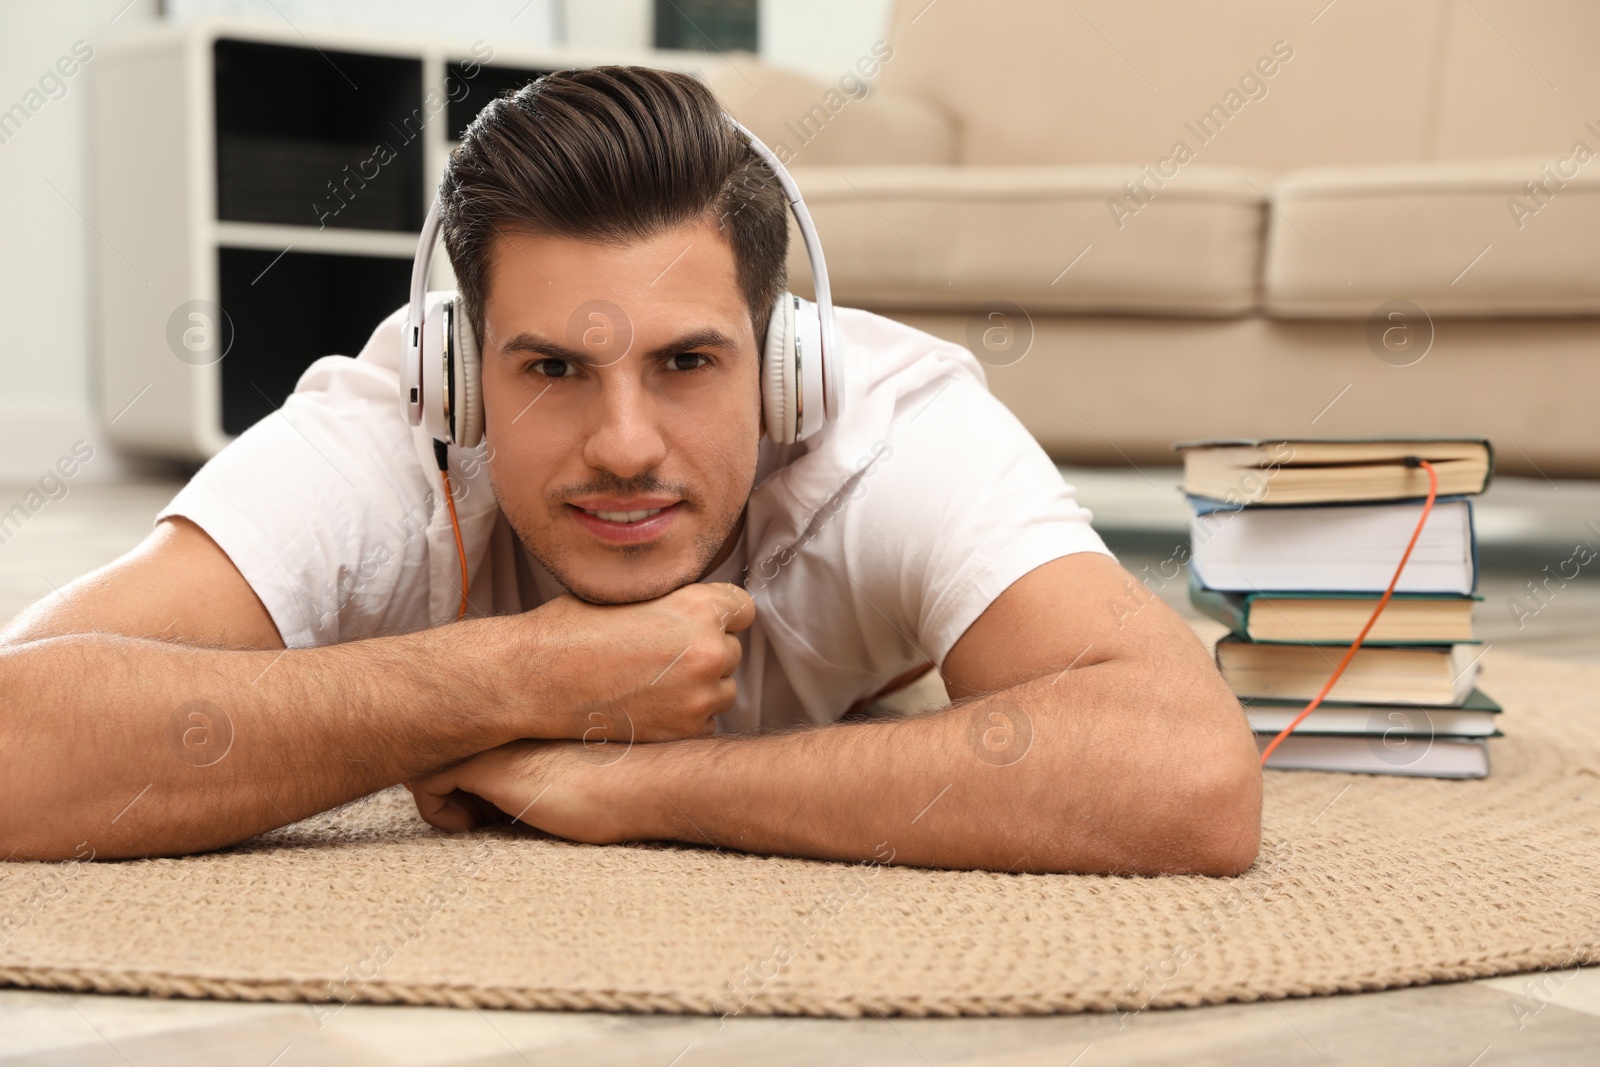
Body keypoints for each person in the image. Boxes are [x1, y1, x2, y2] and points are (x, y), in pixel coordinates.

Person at [0, 67, 1260, 875]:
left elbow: (1190, 775)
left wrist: (637, 784)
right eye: (548, 369)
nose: (623, 446)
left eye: (686, 364)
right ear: (457, 372)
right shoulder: (389, 436)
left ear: (784, 369)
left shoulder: (887, 433)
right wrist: (512, 676)